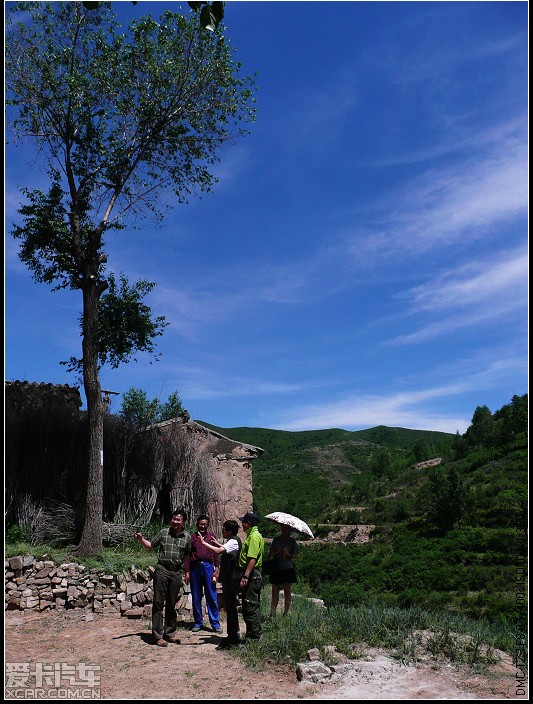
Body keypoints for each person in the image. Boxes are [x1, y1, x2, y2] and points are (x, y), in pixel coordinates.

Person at [134, 509, 191, 647]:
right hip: (162, 570)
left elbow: (187, 557)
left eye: (178, 520)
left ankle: (169, 634)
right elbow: (150, 546)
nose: (175, 522)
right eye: (173, 519)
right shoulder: (164, 532)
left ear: (183, 522)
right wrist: (141, 539)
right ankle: (157, 636)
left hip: (176, 573)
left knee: (172, 603)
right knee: (158, 602)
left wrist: (187, 572)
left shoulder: (187, 537)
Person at [198, 519, 242, 649]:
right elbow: (222, 548)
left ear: (229, 531)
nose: (222, 531)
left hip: (231, 579)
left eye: (224, 529)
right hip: (229, 578)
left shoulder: (234, 541)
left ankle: (233, 636)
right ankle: (232, 634)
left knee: (231, 607)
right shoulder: (232, 541)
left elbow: (218, 551)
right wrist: (216, 543)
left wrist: (204, 543)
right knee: (230, 607)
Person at [189, 514, 222, 633]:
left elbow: (216, 553)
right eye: (201, 524)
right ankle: (198, 622)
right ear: (197, 524)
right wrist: (187, 571)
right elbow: (187, 555)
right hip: (195, 568)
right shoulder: (192, 537)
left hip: (208, 567)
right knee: (196, 596)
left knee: (211, 595)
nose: (203, 526)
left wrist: (217, 567)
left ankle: (215, 623)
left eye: (205, 524)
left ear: (207, 525)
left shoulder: (211, 537)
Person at [238, 511, 265, 641]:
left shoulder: (254, 537)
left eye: (243, 522)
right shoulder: (253, 535)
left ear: (247, 524)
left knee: (251, 605)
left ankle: (254, 637)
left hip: (252, 574)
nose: (242, 525)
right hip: (252, 573)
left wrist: (246, 576)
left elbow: (252, 558)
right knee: (249, 605)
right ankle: (251, 634)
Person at [269, 523, 299, 616]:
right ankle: (273, 613)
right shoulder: (276, 540)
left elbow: (296, 556)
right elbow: (270, 554)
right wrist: (278, 551)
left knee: (287, 591)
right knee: (275, 591)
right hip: (277, 567)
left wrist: (288, 554)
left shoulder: (292, 541)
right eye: (282, 527)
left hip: (288, 568)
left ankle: (286, 613)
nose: (284, 529)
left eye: (286, 527)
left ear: (289, 529)